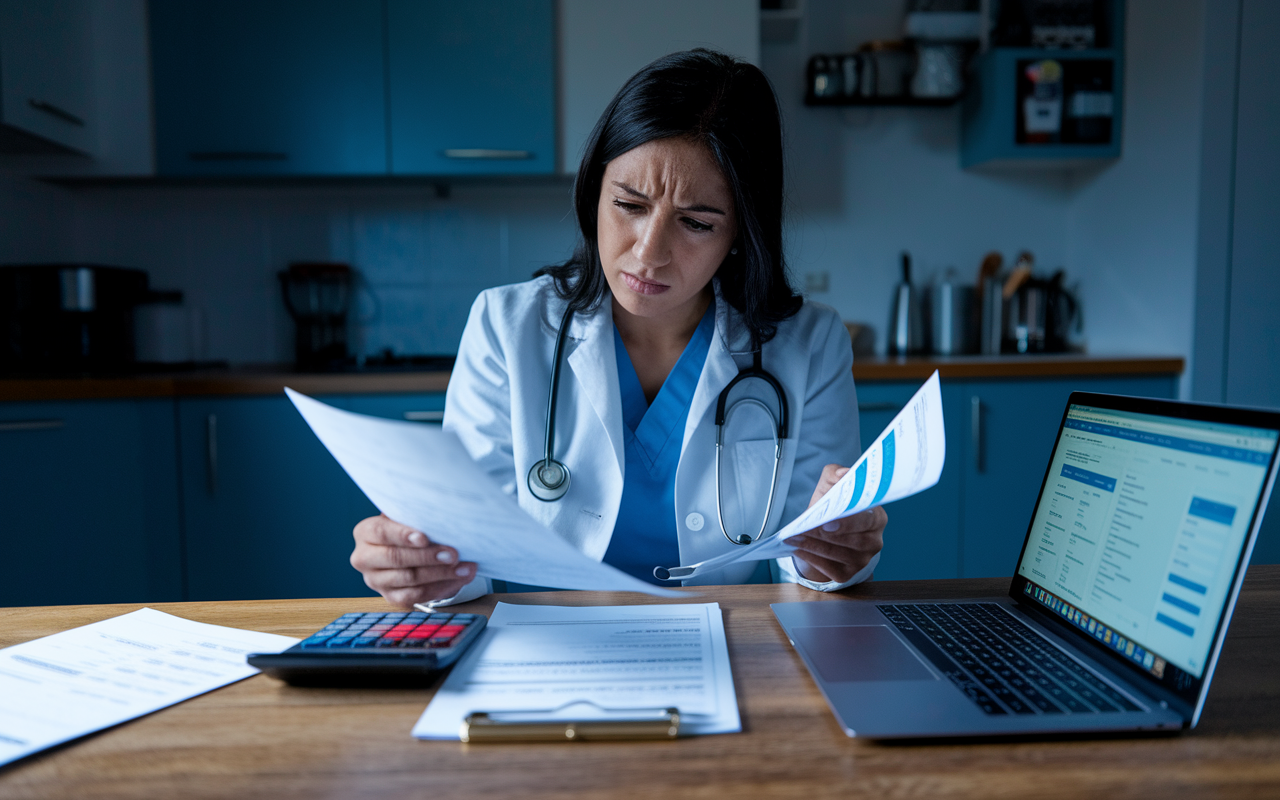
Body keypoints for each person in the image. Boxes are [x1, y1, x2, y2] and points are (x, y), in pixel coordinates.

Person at [350, 49, 887, 607]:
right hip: (552, 648)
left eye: (697, 223)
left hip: (729, 643)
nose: (648, 254)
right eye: (629, 204)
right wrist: (421, 564)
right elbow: (469, 550)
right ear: (592, 195)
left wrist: (836, 552)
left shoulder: (809, 345)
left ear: (741, 233)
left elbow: (810, 566)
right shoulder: (506, 328)